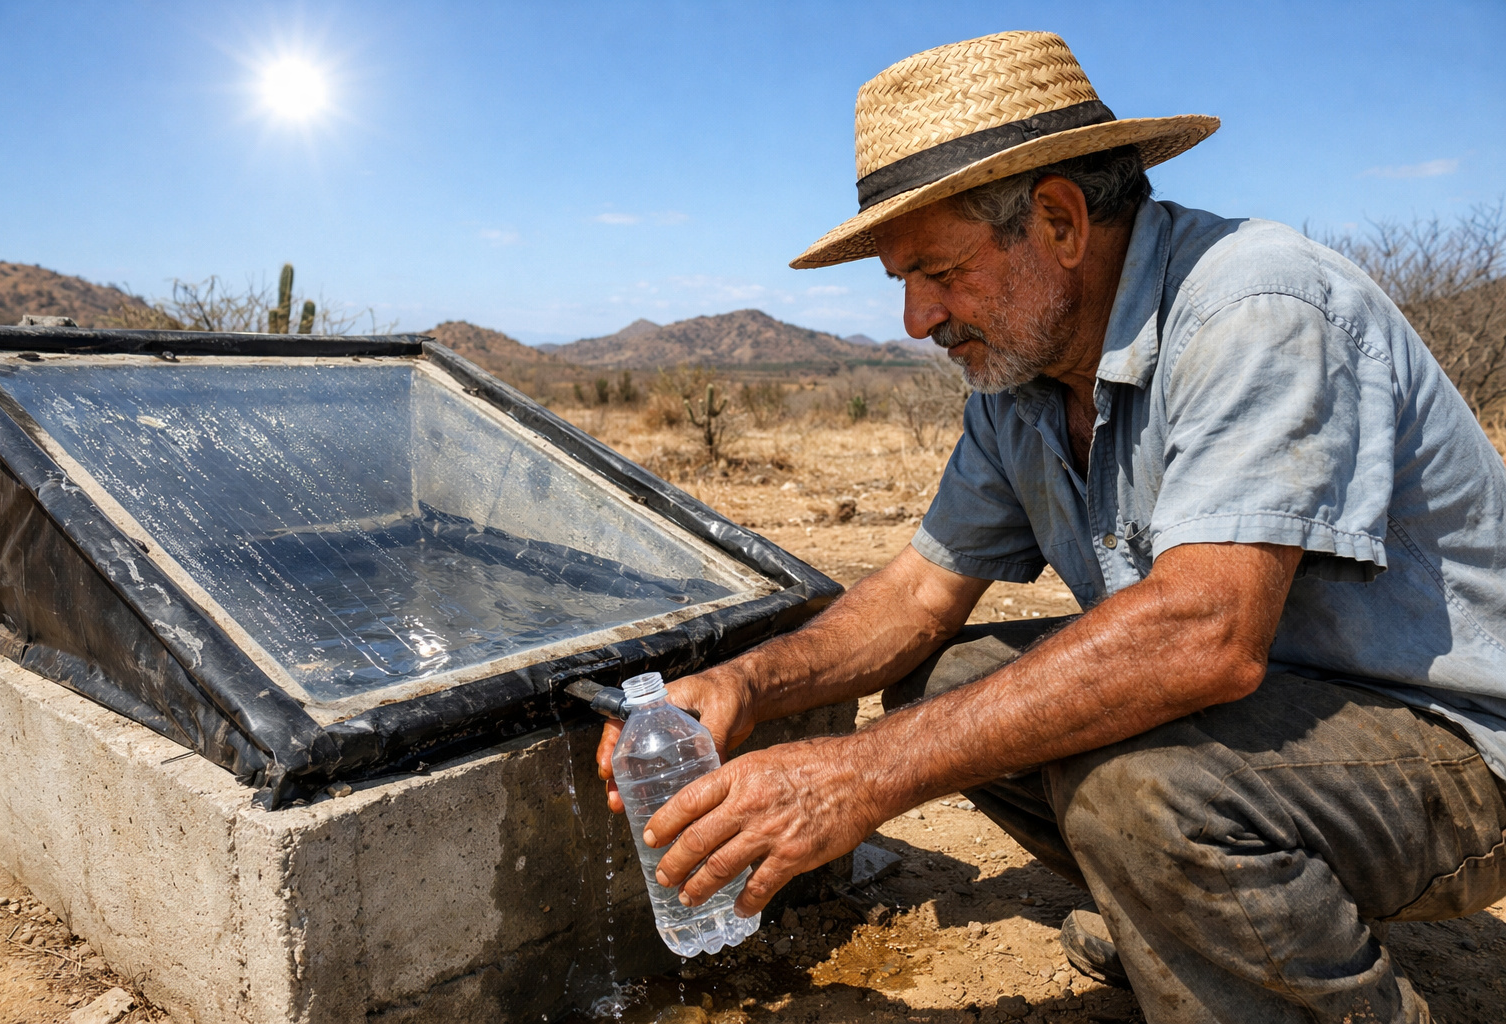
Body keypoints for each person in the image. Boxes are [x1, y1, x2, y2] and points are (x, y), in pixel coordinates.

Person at [597, 30, 1506, 1023]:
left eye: (937, 271)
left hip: (1453, 746)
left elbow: (1207, 635)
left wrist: (858, 776)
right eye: (902, 279)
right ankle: (1191, 919)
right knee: (940, 684)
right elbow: (913, 597)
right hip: (1273, 732)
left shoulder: (1254, 305)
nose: (914, 318)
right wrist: (743, 684)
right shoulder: (1019, 382)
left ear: (1062, 220)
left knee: (1141, 793)